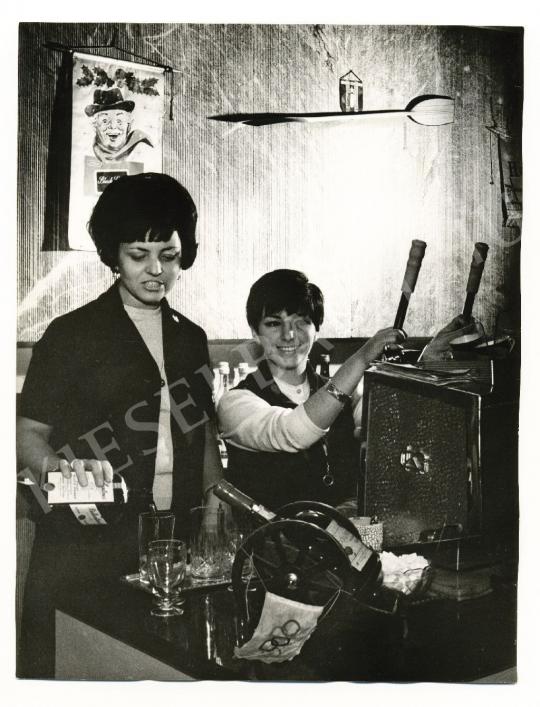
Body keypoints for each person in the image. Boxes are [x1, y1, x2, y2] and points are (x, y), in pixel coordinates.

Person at [16, 172, 223, 678]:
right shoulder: (70, 336)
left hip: (173, 544)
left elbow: (201, 437)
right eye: (138, 255)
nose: (156, 270)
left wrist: (215, 506)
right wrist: (62, 477)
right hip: (87, 546)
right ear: (114, 255)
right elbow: (26, 433)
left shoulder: (191, 339)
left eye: (169, 256)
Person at [217, 269, 405, 511]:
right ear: (255, 332)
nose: (289, 335)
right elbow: (293, 431)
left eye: (301, 321)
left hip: (343, 542)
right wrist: (362, 358)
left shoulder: (351, 395)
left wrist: (429, 362)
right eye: (274, 323)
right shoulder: (235, 403)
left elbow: (390, 430)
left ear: (317, 328)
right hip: (272, 544)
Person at [85, 88, 153, 163]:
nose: (113, 126)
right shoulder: (87, 152)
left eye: (119, 121)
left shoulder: (142, 150)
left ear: (129, 124)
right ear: (94, 126)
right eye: (105, 121)